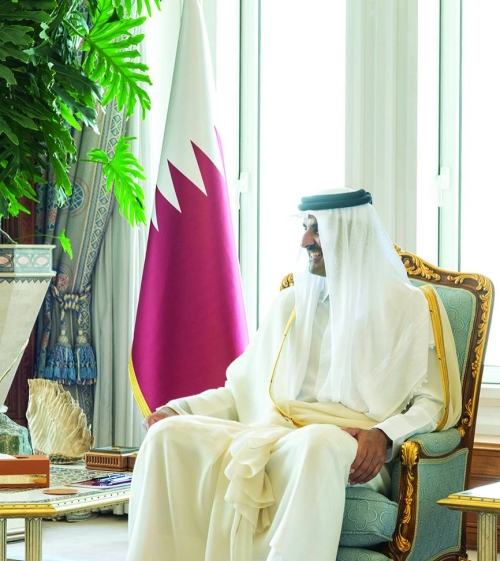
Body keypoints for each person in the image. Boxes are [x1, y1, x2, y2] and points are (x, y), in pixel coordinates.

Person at [125, 187, 462, 561]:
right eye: (305, 228)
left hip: (348, 444)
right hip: (277, 436)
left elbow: (434, 404)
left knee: (319, 441)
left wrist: (384, 436)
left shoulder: (409, 307)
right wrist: (179, 410)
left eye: (317, 229)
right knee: (168, 435)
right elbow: (240, 392)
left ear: (349, 233)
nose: (305, 241)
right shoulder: (292, 303)